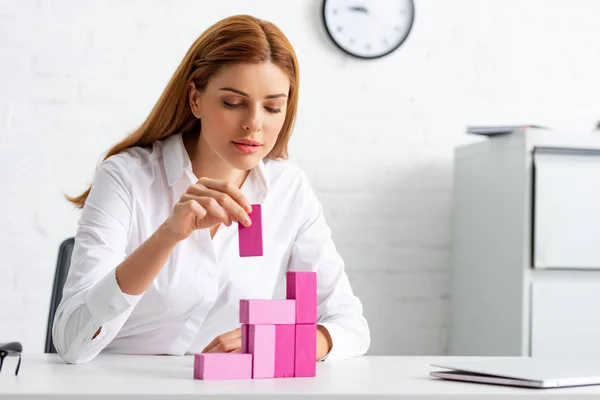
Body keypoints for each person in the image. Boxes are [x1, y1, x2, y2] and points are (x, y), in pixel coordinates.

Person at [53, 14, 370, 364]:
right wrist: (168, 235)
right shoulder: (126, 177)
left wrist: (290, 344)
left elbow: (349, 323)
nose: (253, 123)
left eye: (272, 107)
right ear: (195, 99)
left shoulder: (288, 188)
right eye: (233, 103)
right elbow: (71, 343)